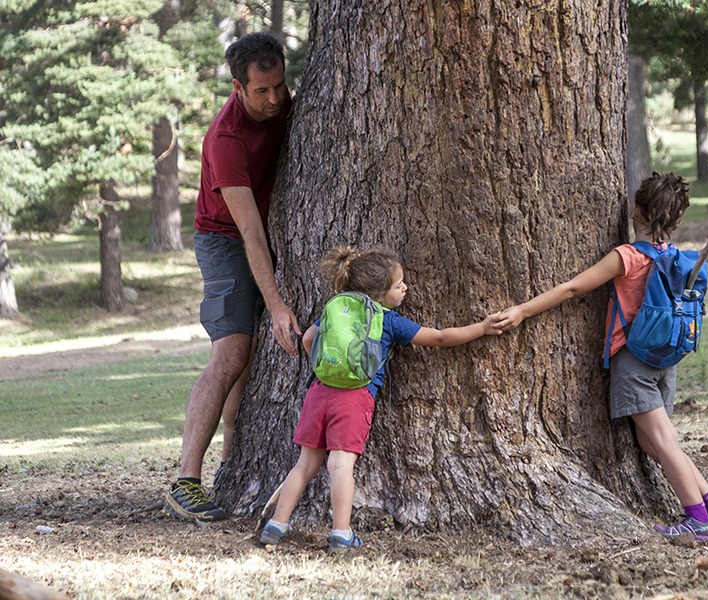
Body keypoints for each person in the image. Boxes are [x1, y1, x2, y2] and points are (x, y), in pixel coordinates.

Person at [495, 172, 708, 543]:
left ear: (635, 210)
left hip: (633, 360)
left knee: (662, 439)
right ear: (675, 220)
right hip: (664, 359)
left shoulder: (627, 257)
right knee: (652, 442)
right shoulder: (674, 258)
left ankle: (699, 522)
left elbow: (573, 287)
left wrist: (522, 311)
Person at [259, 246, 502, 550]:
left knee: (304, 465)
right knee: (340, 467)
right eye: (398, 286)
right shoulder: (389, 320)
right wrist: (482, 327)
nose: (405, 289)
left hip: (319, 391)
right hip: (354, 398)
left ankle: (276, 525)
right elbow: (440, 338)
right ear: (379, 293)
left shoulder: (339, 308)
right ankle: (341, 533)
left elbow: (309, 338)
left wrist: (328, 369)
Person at [162, 32, 301, 523]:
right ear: (238, 88)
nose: (274, 99)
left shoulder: (286, 104)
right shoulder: (226, 139)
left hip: (266, 232)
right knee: (231, 353)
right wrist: (278, 304)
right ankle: (185, 481)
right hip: (225, 240)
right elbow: (248, 234)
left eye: (279, 87)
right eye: (261, 91)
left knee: (250, 358)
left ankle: (234, 463)